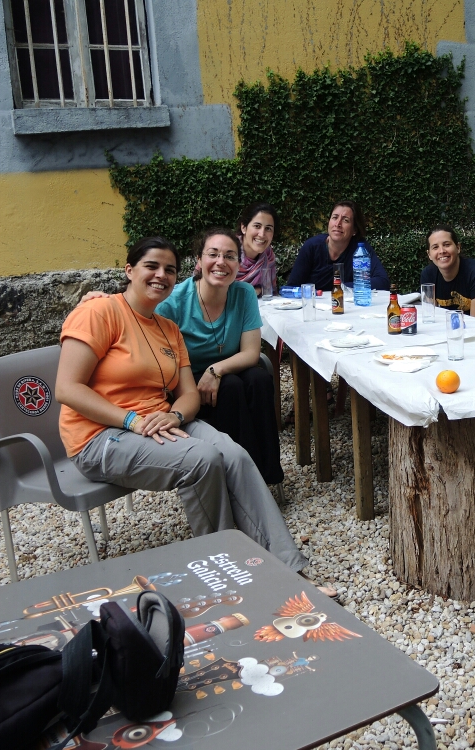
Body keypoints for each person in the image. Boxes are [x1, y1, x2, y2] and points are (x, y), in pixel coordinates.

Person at [56, 237, 307, 576]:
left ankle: (289, 569)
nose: (161, 275)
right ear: (129, 270)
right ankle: (231, 569)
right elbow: (67, 389)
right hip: (101, 434)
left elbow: (188, 394)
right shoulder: (98, 311)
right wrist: (131, 420)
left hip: (161, 420)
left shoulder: (168, 328)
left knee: (234, 455)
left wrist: (174, 414)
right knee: (201, 460)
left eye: (169, 270)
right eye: (151, 266)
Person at [155, 228, 284, 486]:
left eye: (230, 256)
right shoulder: (175, 302)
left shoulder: (244, 293)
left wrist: (215, 370)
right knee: (232, 389)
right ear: (199, 261)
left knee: (259, 379)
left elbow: (250, 352)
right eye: (212, 254)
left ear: (238, 263)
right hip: (188, 382)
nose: (221, 262)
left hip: (226, 369)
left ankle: (268, 476)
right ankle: (241, 481)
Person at [286, 200, 390, 291]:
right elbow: (291, 287)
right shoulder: (311, 247)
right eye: (335, 217)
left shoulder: (360, 249)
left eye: (345, 220)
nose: (338, 224)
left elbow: (383, 281)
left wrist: (342, 288)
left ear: (354, 230)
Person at [420, 224, 475, 320]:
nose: (441, 251)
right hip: (450, 329)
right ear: (429, 254)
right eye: (435, 247)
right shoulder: (428, 275)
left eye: (447, 245)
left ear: (458, 248)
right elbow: (432, 317)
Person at [236, 202, 279, 296]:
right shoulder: (227, 251)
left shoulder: (268, 255)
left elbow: (269, 292)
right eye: (257, 226)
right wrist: (254, 291)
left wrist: (259, 290)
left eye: (268, 228)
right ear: (244, 227)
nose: (262, 234)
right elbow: (215, 289)